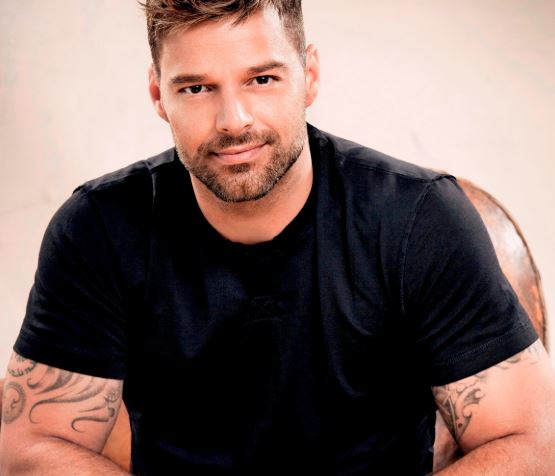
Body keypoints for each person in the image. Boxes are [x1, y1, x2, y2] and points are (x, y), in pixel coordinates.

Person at [1, 1, 554, 474]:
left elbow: (533, 441)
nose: (234, 120)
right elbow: (31, 446)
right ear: (158, 94)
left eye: (261, 79)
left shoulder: (418, 218)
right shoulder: (98, 228)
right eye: (196, 87)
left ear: (309, 75)